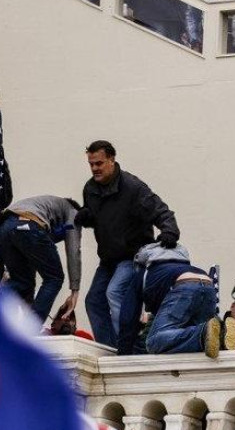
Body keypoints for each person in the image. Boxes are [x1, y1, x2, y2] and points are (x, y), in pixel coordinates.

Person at [78, 140, 179, 348]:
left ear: (112, 160)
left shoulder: (133, 187)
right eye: (91, 164)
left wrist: (170, 231)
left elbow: (161, 211)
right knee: (93, 301)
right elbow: (95, 214)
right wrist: (86, 217)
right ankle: (109, 348)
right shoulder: (90, 189)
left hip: (133, 255)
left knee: (114, 292)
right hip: (108, 259)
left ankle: (129, 345)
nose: (94, 168)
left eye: (99, 163)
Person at [115, 243, 227, 358]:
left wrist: (123, 354)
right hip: (208, 284)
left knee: (154, 340)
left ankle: (203, 332)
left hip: (184, 285)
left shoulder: (146, 273)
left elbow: (128, 316)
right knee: (202, 341)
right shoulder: (182, 267)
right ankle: (224, 335)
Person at [0, 196, 82, 324]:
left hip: (2, 228)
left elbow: (33, 249)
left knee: (22, 281)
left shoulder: (45, 206)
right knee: (54, 278)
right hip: (27, 225)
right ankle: (31, 328)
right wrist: (75, 290)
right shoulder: (73, 211)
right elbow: (73, 248)